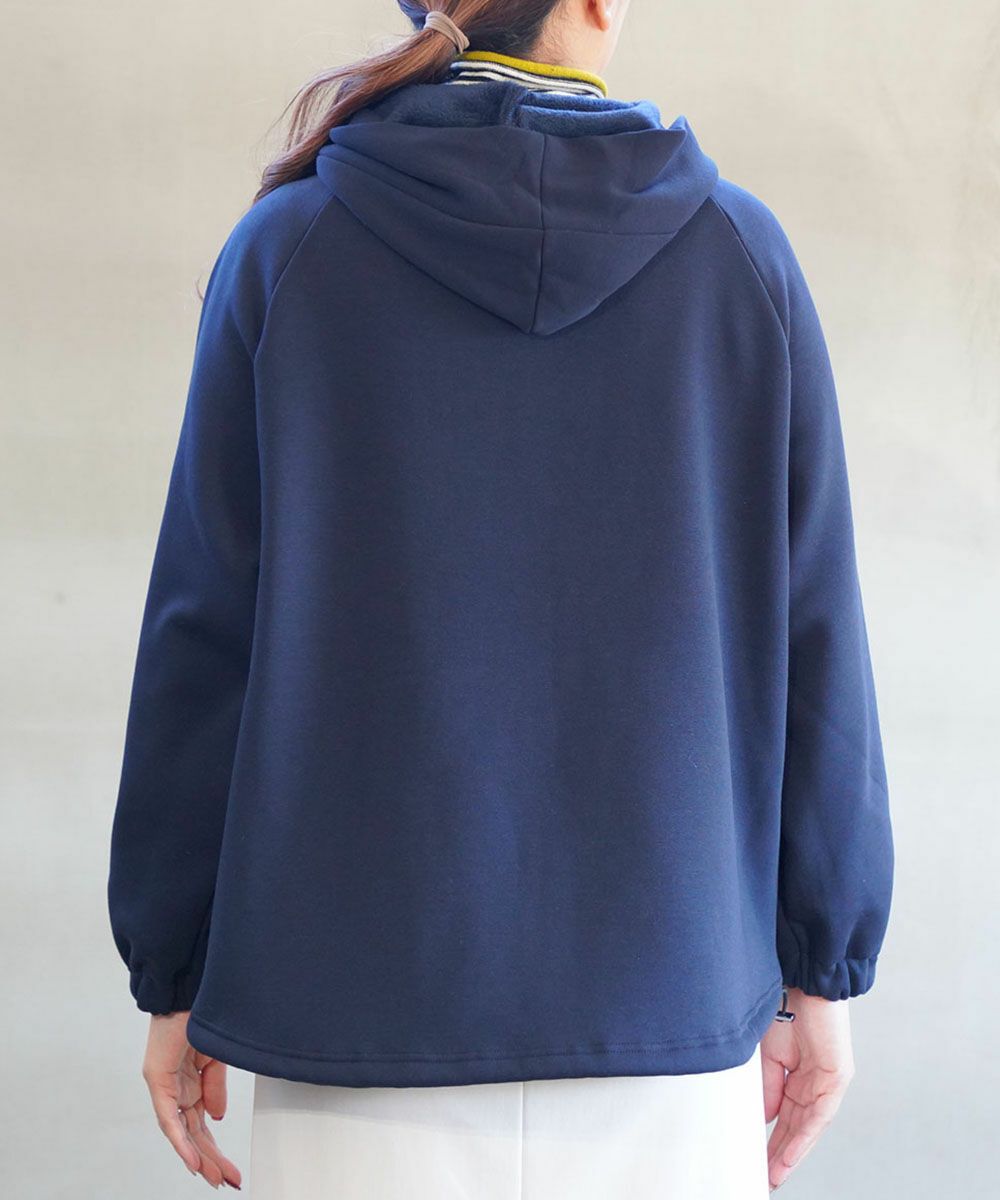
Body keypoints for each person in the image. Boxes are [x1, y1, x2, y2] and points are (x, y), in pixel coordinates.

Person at [106, 1, 895, 1196]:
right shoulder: (739, 256)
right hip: (668, 1013)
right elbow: (815, 634)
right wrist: (818, 976)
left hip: (350, 1022)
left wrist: (171, 972)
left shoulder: (289, 249)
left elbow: (201, 638)